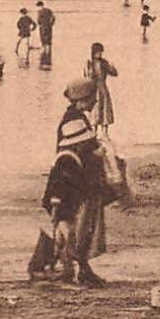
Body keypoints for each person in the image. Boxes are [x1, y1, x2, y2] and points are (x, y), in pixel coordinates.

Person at [41, 80, 109, 286]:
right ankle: (72, 270)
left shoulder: (77, 118)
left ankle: (75, 269)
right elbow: (85, 152)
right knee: (74, 231)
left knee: (79, 230)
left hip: (75, 184)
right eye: (91, 98)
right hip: (68, 185)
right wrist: (101, 152)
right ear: (80, 100)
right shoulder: (73, 122)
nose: (95, 101)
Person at [84, 43, 118, 135]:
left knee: (105, 110)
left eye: (101, 52)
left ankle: (105, 132)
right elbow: (86, 76)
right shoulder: (89, 63)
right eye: (98, 52)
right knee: (95, 110)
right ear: (94, 52)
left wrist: (112, 67)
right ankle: (94, 132)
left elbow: (114, 73)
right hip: (93, 89)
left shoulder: (104, 62)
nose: (100, 54)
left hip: (103, 89)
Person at [35, 1, 56, 66]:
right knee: (49, 41)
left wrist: (40, 24)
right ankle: (48, 54)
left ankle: (44, 54)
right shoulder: (49, 10)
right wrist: (51, 24)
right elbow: (53, 18)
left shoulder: (39, 12)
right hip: (49, 27)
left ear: (39, 6)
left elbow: (38, 20)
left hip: (43, 27)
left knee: (43, 41)